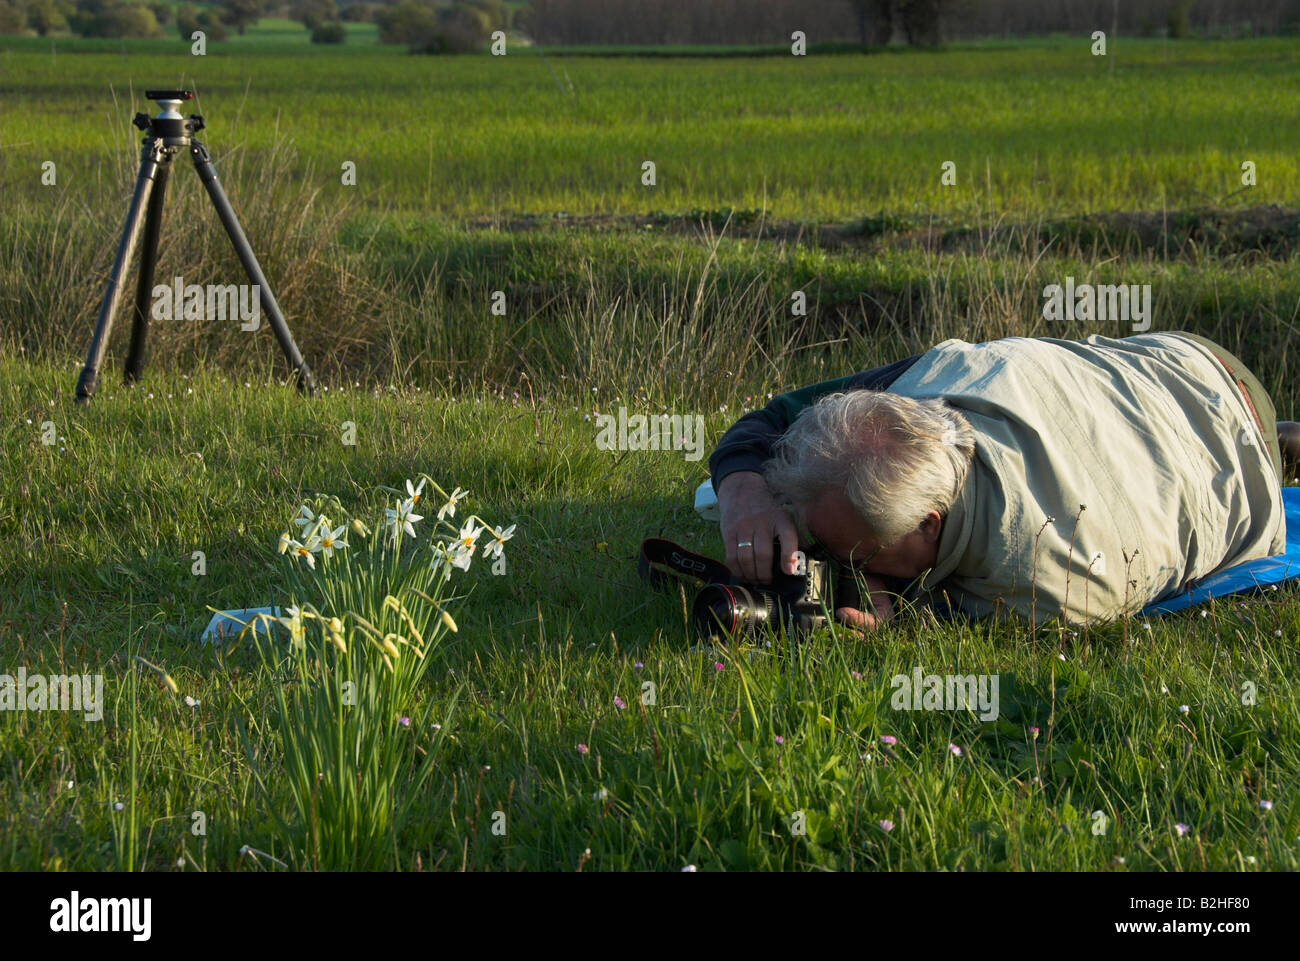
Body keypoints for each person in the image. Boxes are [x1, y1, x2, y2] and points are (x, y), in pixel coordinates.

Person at [708, 331, 1298, 629]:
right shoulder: (926, 388)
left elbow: (951, 607)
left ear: (927, 524)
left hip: (1243, 451)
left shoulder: (1049, 585)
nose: (822, 559)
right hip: (1184, 361)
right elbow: (773, 418)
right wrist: (744, 489)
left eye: (847, 553)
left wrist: (904, 617)